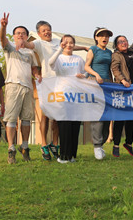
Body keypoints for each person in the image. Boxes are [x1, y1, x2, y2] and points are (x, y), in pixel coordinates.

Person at [20, 21, 88, 161]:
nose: (47, 32)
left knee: (58, 117)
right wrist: (21, 39)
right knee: (46, 114)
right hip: (48, 82)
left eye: (49, 29)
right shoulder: (38, 43)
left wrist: (85, 47)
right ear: (39, 33)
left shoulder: (58, 41)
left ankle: (55, 144)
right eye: (44, 30)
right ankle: (44, 143)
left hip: (61, 83)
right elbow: (28, 45)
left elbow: (69, 47)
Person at [0, 13, 39, 163]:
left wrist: (37, 75)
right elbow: (2, 40)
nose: (20, 35)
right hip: (13, 86)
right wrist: (3, 27)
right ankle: (11, 149)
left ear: (27, 37)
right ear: (14, 36)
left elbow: (34, 68)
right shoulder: (9, 48)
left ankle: (25, 146)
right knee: (11, 118)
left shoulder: (30, 52)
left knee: (27, 118)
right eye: (18, 33)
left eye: (23, 33)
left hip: (28, 88)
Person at [48, 35, 86, 163]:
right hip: (62, 95)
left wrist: (83, 76)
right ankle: (63, 155)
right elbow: (50, 63)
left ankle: (72, 155)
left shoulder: (79, 59)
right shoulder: (58, 58)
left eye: (71, 43)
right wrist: (59, 49)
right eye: (66, 43)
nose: (69, 45)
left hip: (76, 96)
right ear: (61, 44)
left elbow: (86, 73)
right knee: (64, 125)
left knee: (75, 125)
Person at [110, 20, 133, 158]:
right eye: (121, 41)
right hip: (122, 89)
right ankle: (116, 145)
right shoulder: (116, 55)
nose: (124, 43)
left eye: (125, 41)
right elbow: (115, 69)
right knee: (120, 118)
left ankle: (129, 143)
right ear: (116, 45)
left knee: (131, 118)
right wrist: (122, 80)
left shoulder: (132, 51)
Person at [85, 27, 113, 160]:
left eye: (107, 36)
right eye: (101, 35)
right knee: (97, 115)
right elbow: (86, 66)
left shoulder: (109, 52)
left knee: (107, 116)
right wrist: (96, 75)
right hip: (94, 82)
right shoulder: (93, 49)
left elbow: (110, 68)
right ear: (96, 38)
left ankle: (101, 144)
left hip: (107, 84)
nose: (104, 38)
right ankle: (96, 146)